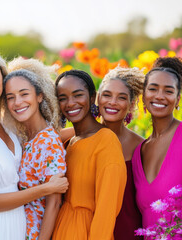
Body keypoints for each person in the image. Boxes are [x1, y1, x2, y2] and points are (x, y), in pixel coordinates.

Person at [0, 48, 69, 240]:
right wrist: (45, 189)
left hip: (20, 225)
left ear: (2, 79)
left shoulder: (9, 127)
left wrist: (90, 130)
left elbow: (43, 140)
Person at [53, 69, 126, 240]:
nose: (70, 103)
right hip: (62, 229)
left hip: (86, 232)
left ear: (92, 97)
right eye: (63, 98)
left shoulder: (106, 141)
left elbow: (106, 210)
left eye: (78, 95)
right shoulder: (70, 142)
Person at [3, 57, 67, 240]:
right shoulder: (24, 139)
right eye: (10, 97)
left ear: (39, 96)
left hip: (35, 234)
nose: (17, 102)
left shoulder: (48, 142)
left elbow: (54, 203)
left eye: (24, 94)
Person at [132, 56, 182, 228]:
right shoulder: (139, 152)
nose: (160, 96)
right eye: (153, 89)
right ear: (144, 96)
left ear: (178, 99)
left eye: (168, 91)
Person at [97, 67, 144, 240]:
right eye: (107, 95)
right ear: (97, 98)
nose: (112, 102)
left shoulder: (141, 147)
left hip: (128, 233)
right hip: (89, 231)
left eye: (121, 97)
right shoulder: (77, 141)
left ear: (131, 104)